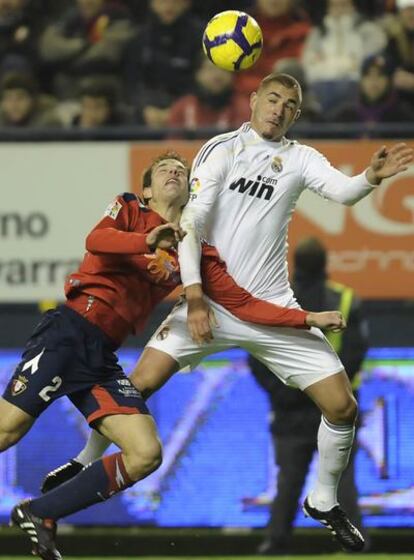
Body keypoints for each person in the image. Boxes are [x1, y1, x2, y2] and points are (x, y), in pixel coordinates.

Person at [2, 151, 342, 560]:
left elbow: (243, 303)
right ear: (146, 189)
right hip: (68, 332)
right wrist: (145, 239)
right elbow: (96, 241)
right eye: (164, 168)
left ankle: (41, 513)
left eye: (181, 170)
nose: (174, 171)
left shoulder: (194, 249)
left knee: (146, 454)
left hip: (102, 357)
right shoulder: (129, 208)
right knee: (7, 431)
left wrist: (307, 318)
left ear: (191, 189)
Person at [142, 73, 411, 552]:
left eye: (290, 104)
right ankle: (85, 462)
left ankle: (324, 500)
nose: (279, 108)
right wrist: (196, 295)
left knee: (343, 406)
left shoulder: (301, 158)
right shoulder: (222, 148)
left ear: (296, 115)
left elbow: (343, 191)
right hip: (213, 303)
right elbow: (192, 221)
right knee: (137, 385)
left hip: (271, 309)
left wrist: (370, 177)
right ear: (252, 101)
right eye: (272, 98)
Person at [250, 236, 369, 555]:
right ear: (326, 264)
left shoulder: (274, 300)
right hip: (335, 407)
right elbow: (357, 351)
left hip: (289, 409)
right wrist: (329, 390)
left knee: (288, 481)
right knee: (341, 480)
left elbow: (257, 355)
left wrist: (284, 392)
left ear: (293, 264)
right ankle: (354, 545)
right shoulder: (344, 299)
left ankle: (275, 543)